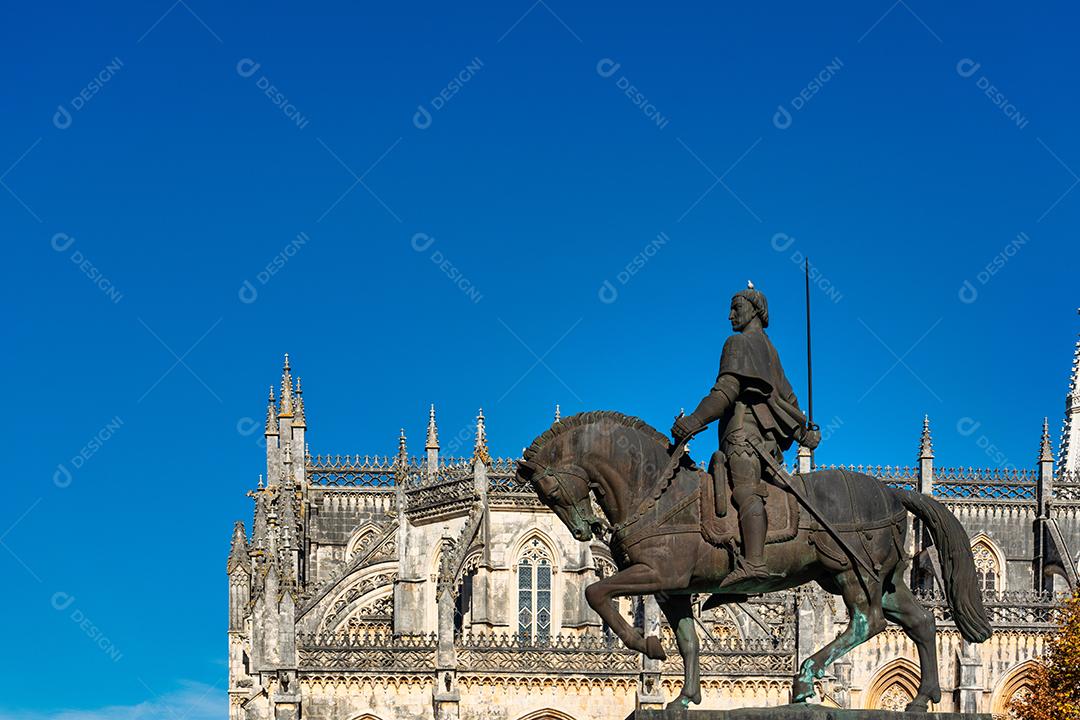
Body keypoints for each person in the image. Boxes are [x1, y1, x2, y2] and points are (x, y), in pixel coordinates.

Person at [672, 283, 820, 588]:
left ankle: (754, 562)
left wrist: (693, 422)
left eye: (735, 307)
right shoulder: (771, 351)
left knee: (745, 492)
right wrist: (803, 432)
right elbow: (788, 399)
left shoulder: (737, 344)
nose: (729, 315)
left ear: (754, 309)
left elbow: (725, 393)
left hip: (743, 436)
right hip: (767, 443)